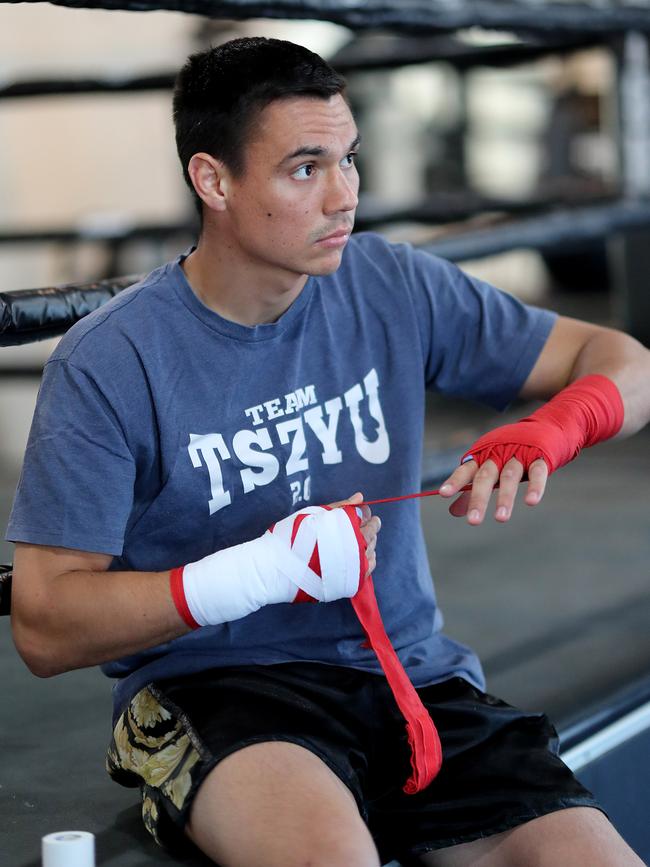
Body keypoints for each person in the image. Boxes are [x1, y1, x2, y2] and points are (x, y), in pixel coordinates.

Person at [6, 37, 649, 867]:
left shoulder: (389, 283)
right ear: (214, 180)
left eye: (350, 160)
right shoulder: (112, 360)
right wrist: (257, 573)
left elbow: (627, 364)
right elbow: (46, 624)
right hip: (224, 693)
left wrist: (555, 427)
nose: (345, 196)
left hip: (415, 680)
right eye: (305, 168)